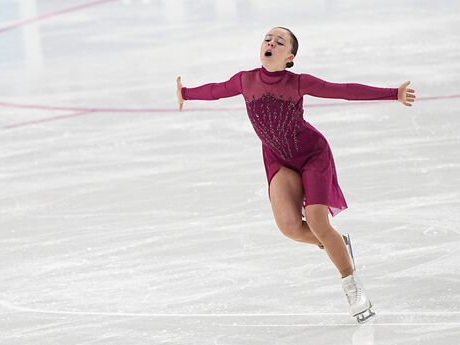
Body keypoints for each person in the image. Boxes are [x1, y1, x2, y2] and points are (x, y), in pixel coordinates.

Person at [175, 26, 416, 323]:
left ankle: (352, 286)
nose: (270, 43)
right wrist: (186, 93)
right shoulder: (245, 80)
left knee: (316, 221)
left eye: (279, 42)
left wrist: (394, 93)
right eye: (267, 39)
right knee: (289, 227)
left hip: (312, 155)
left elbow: (344, 91)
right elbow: (215, 90)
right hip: (279, 159)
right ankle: (335, 242)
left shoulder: (298, 83)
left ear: (289, 57)